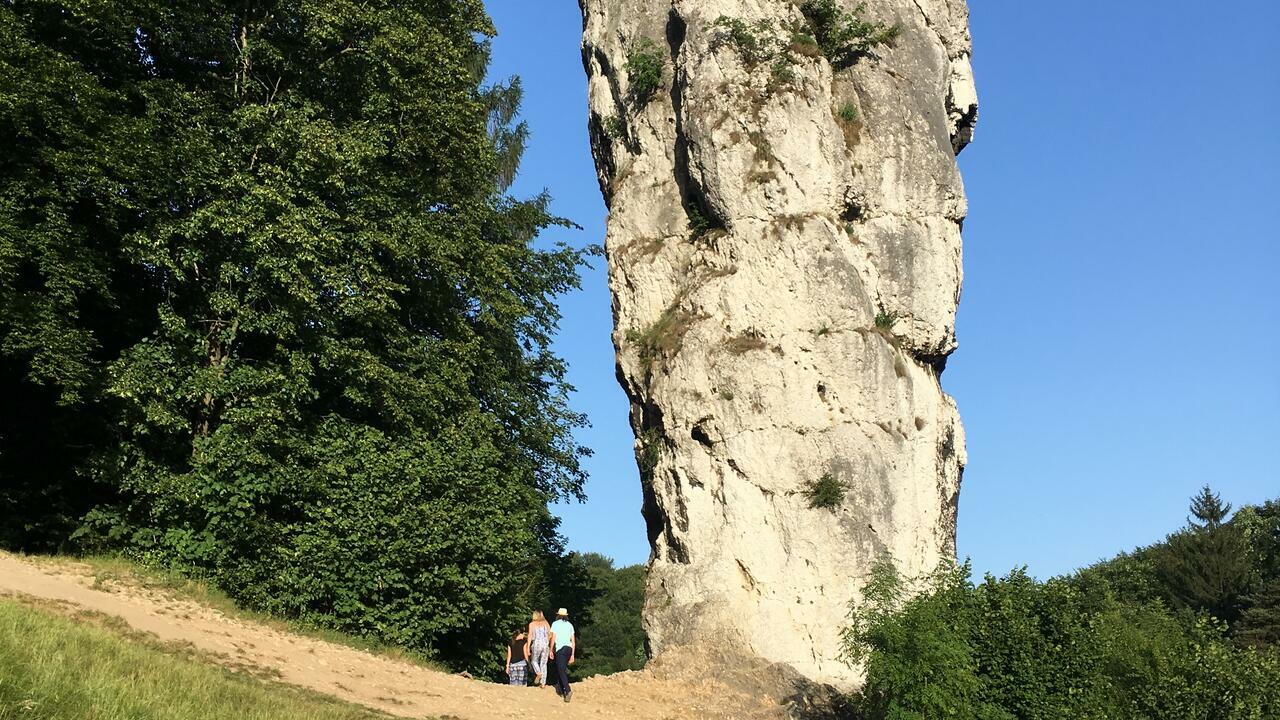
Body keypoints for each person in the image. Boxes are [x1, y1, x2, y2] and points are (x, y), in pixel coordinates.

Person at [549, 607, 576, 702]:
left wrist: (551, 650)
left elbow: (553, 637)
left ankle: (567, 690)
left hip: (561, 649)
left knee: (560, 670)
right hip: (569, 648)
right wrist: (572, 654)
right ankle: (561, 688)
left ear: (558, 615)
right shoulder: (570, 625)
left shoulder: (555, 624)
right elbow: (573, 641)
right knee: (562, 669)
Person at [525, 610, 553, 688]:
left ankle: (538, 672)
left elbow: (530, 635)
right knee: (543, 663)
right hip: (545, 644)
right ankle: (543, 683)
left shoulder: (532, 624)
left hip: (536, 644)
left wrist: (528, 647)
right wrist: (547, 641)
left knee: (534, 660)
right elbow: (550, 634)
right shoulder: (546, 623)